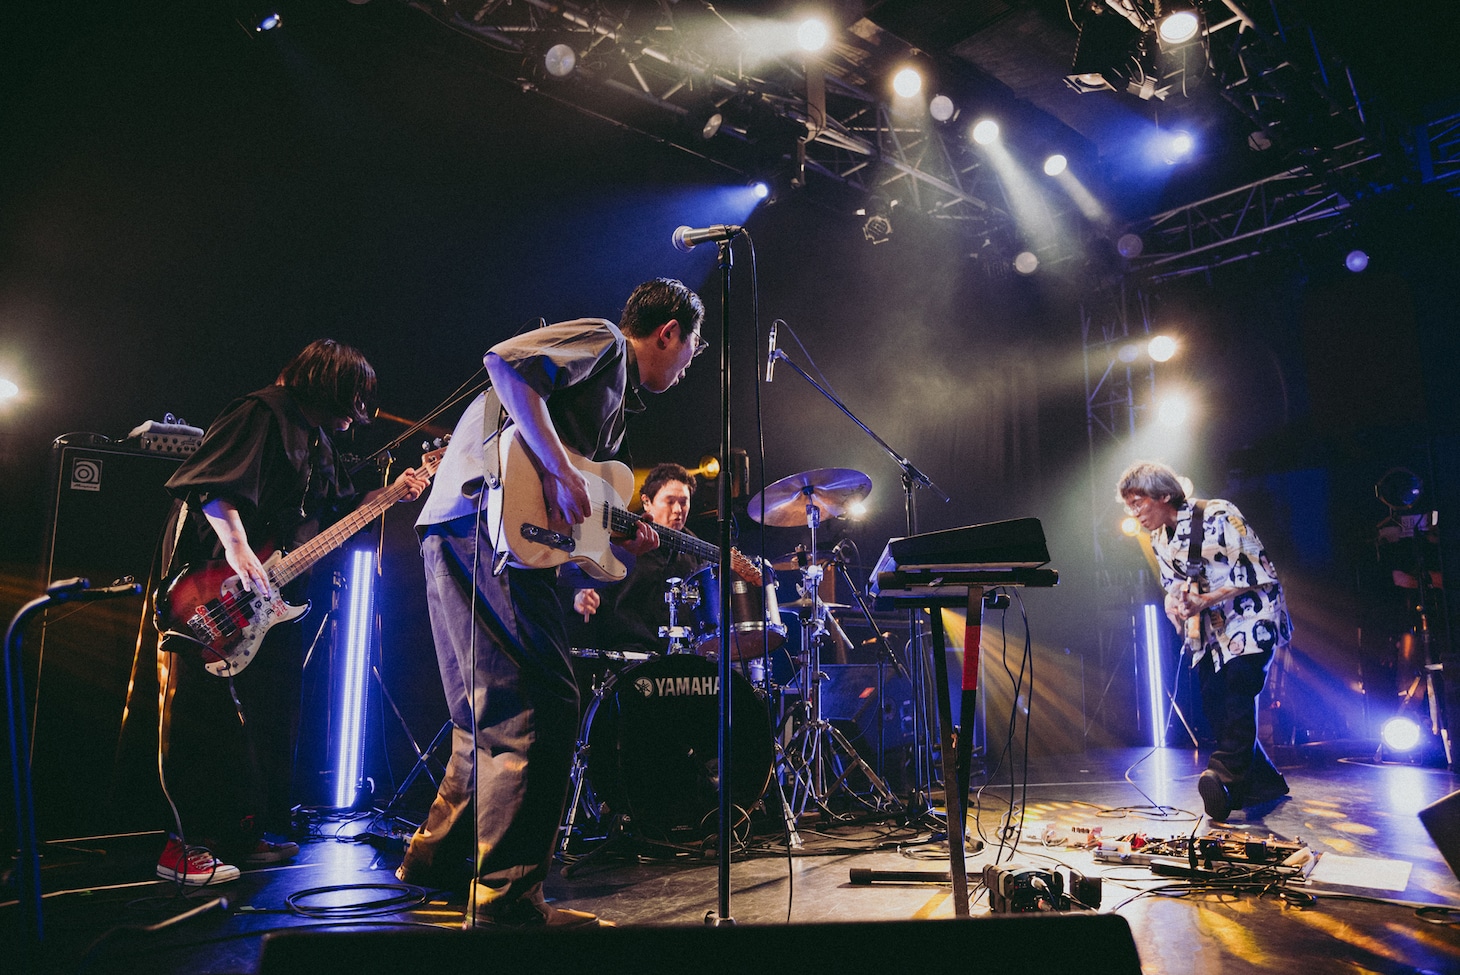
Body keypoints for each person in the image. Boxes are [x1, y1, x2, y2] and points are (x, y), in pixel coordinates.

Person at [402, 278, 706, 928]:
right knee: (540, 705)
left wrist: (620, 527)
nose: (687, 365)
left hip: (458, 525)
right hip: (484, 523)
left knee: (481, 714)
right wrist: (569, 475)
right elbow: (505, 365)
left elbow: (557, 505)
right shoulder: (603, 340)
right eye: (693, 348)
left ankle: (438, 868)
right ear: (670, 331)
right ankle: (507, 903)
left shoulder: (613, 400)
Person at [154, 339, 430, 885]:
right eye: (355, 398)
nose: (358, 415)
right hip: (212, 588)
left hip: (269, 602)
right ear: (333, 385)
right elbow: (213, 486)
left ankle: (239, 832)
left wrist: (396, 492)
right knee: (201, 719)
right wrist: (235, 547)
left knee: (264, 719)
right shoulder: (261, 412)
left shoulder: (318, 440)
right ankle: (182, 846)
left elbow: (329, 515)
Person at [1117, 460, 1292, 821]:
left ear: (1163, 494)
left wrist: (1206, 599)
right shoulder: (1158, 538)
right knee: (1214, 703)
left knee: (1238, 690)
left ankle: (1223, 775)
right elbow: (1173, 585)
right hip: (1211, 633)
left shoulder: (1217, 514)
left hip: (1250, 618)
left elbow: (1258, 569)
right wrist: (1172, 603)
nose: (1134, 513)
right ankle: (1263, 784)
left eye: (1138, 503)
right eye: (1128, 506)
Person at [566, 462, 706, 655]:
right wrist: (581, 596)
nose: (678, 510)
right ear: (646, 502)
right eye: (670, 501)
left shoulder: (696, 548)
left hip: (685, 655)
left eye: (683, 502)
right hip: (629, 651)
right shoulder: (620, 539)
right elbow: (584, 581)